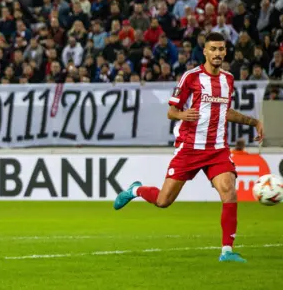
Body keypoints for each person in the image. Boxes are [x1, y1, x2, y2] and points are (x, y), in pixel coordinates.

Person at [113, 32, 265, 263]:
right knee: (164, 201)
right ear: (205, 51)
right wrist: (184, 114)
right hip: (189, 148)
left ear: (225, 52)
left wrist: (254, 122)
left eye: (221, 49)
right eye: (213, 49)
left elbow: (226, 111)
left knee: (229, 191)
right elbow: (171, 111)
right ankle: (136, 190)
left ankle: (227, 251)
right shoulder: (191, 77)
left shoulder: (228, 79)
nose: (217, 53)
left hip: (217, 149)